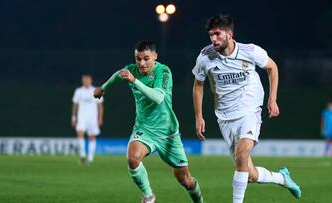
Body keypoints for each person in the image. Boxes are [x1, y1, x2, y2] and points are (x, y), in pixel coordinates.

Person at [192, 15, 301, 203]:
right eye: (211, 35)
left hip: (250, 110)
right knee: (248, 174)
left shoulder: (250, 51)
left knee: (242, 154)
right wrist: (199, 116)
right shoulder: (205, 56)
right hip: (225, 117)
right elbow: (198, 85)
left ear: (229, 34)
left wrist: (272, 99)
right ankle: (282, 178)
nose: (213, 39)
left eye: (217, 34)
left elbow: (272, 67)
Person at [93, 40, 203, 203]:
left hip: (168, 133)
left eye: (146, 58)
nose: (142, 63)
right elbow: (119, 74)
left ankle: (199, 202)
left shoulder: (163, 71)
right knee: (133, 158)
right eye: (138, 59)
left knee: (185, 180)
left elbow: (158, 97)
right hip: (144, 129)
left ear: (155, 56)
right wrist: (103, 88)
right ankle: (148, 196)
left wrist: (134, 81)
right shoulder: (131, 70)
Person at [71, 74, 104, 165]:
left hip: (92, 118)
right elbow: (75, 104)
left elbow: (100, 105)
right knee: (80, 133)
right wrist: (73, 117)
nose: (86, 81)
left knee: (92, 137)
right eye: (84, 80)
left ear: (91, 80)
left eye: (88, 80)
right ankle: (82, 155)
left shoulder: (96, 90)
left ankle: (90, 158)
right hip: (81, 117)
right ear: (82, 81)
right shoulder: (78, 91)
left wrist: (100, 118)